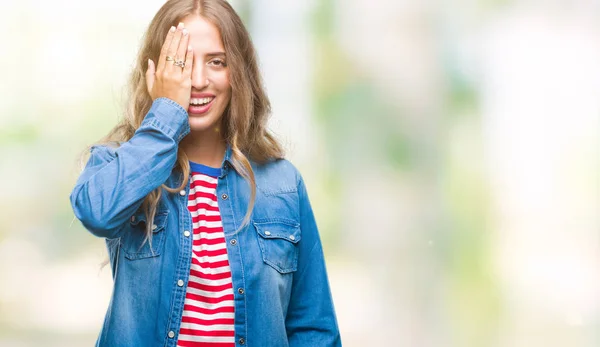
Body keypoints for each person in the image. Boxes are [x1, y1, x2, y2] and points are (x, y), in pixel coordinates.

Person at [69, 0, 341, 346]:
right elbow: (97, 213)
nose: (198, 80)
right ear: (157, 72)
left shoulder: (282, 184)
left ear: (238, 72)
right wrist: (166, 112)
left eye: (216, 62)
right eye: (180, 63)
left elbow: (314, 328)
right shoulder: (121, 165)